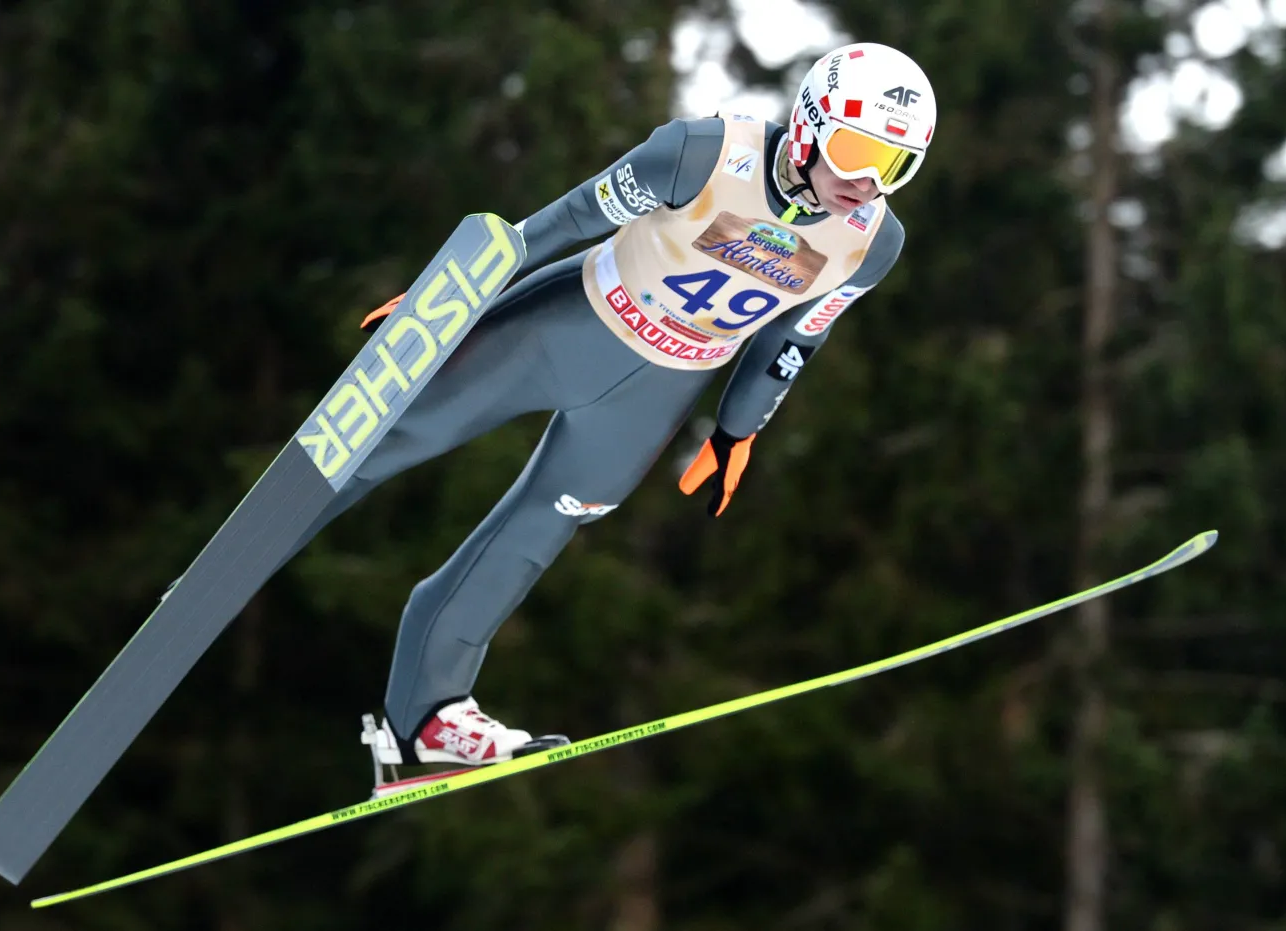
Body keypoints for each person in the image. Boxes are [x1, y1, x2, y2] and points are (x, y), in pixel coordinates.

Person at [305, 42, 936, 769]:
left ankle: (427, 719)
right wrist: (453, 295)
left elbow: (795, 339)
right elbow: (565, 220)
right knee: (390, 434)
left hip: (653, 396)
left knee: (535, 533)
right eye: (857, 150)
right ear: (809, 124)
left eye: (894, 165)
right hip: (567, 327)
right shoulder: (701, 152)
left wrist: (737, 432)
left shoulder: (872, 244)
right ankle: (243, 556)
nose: (865, 182)